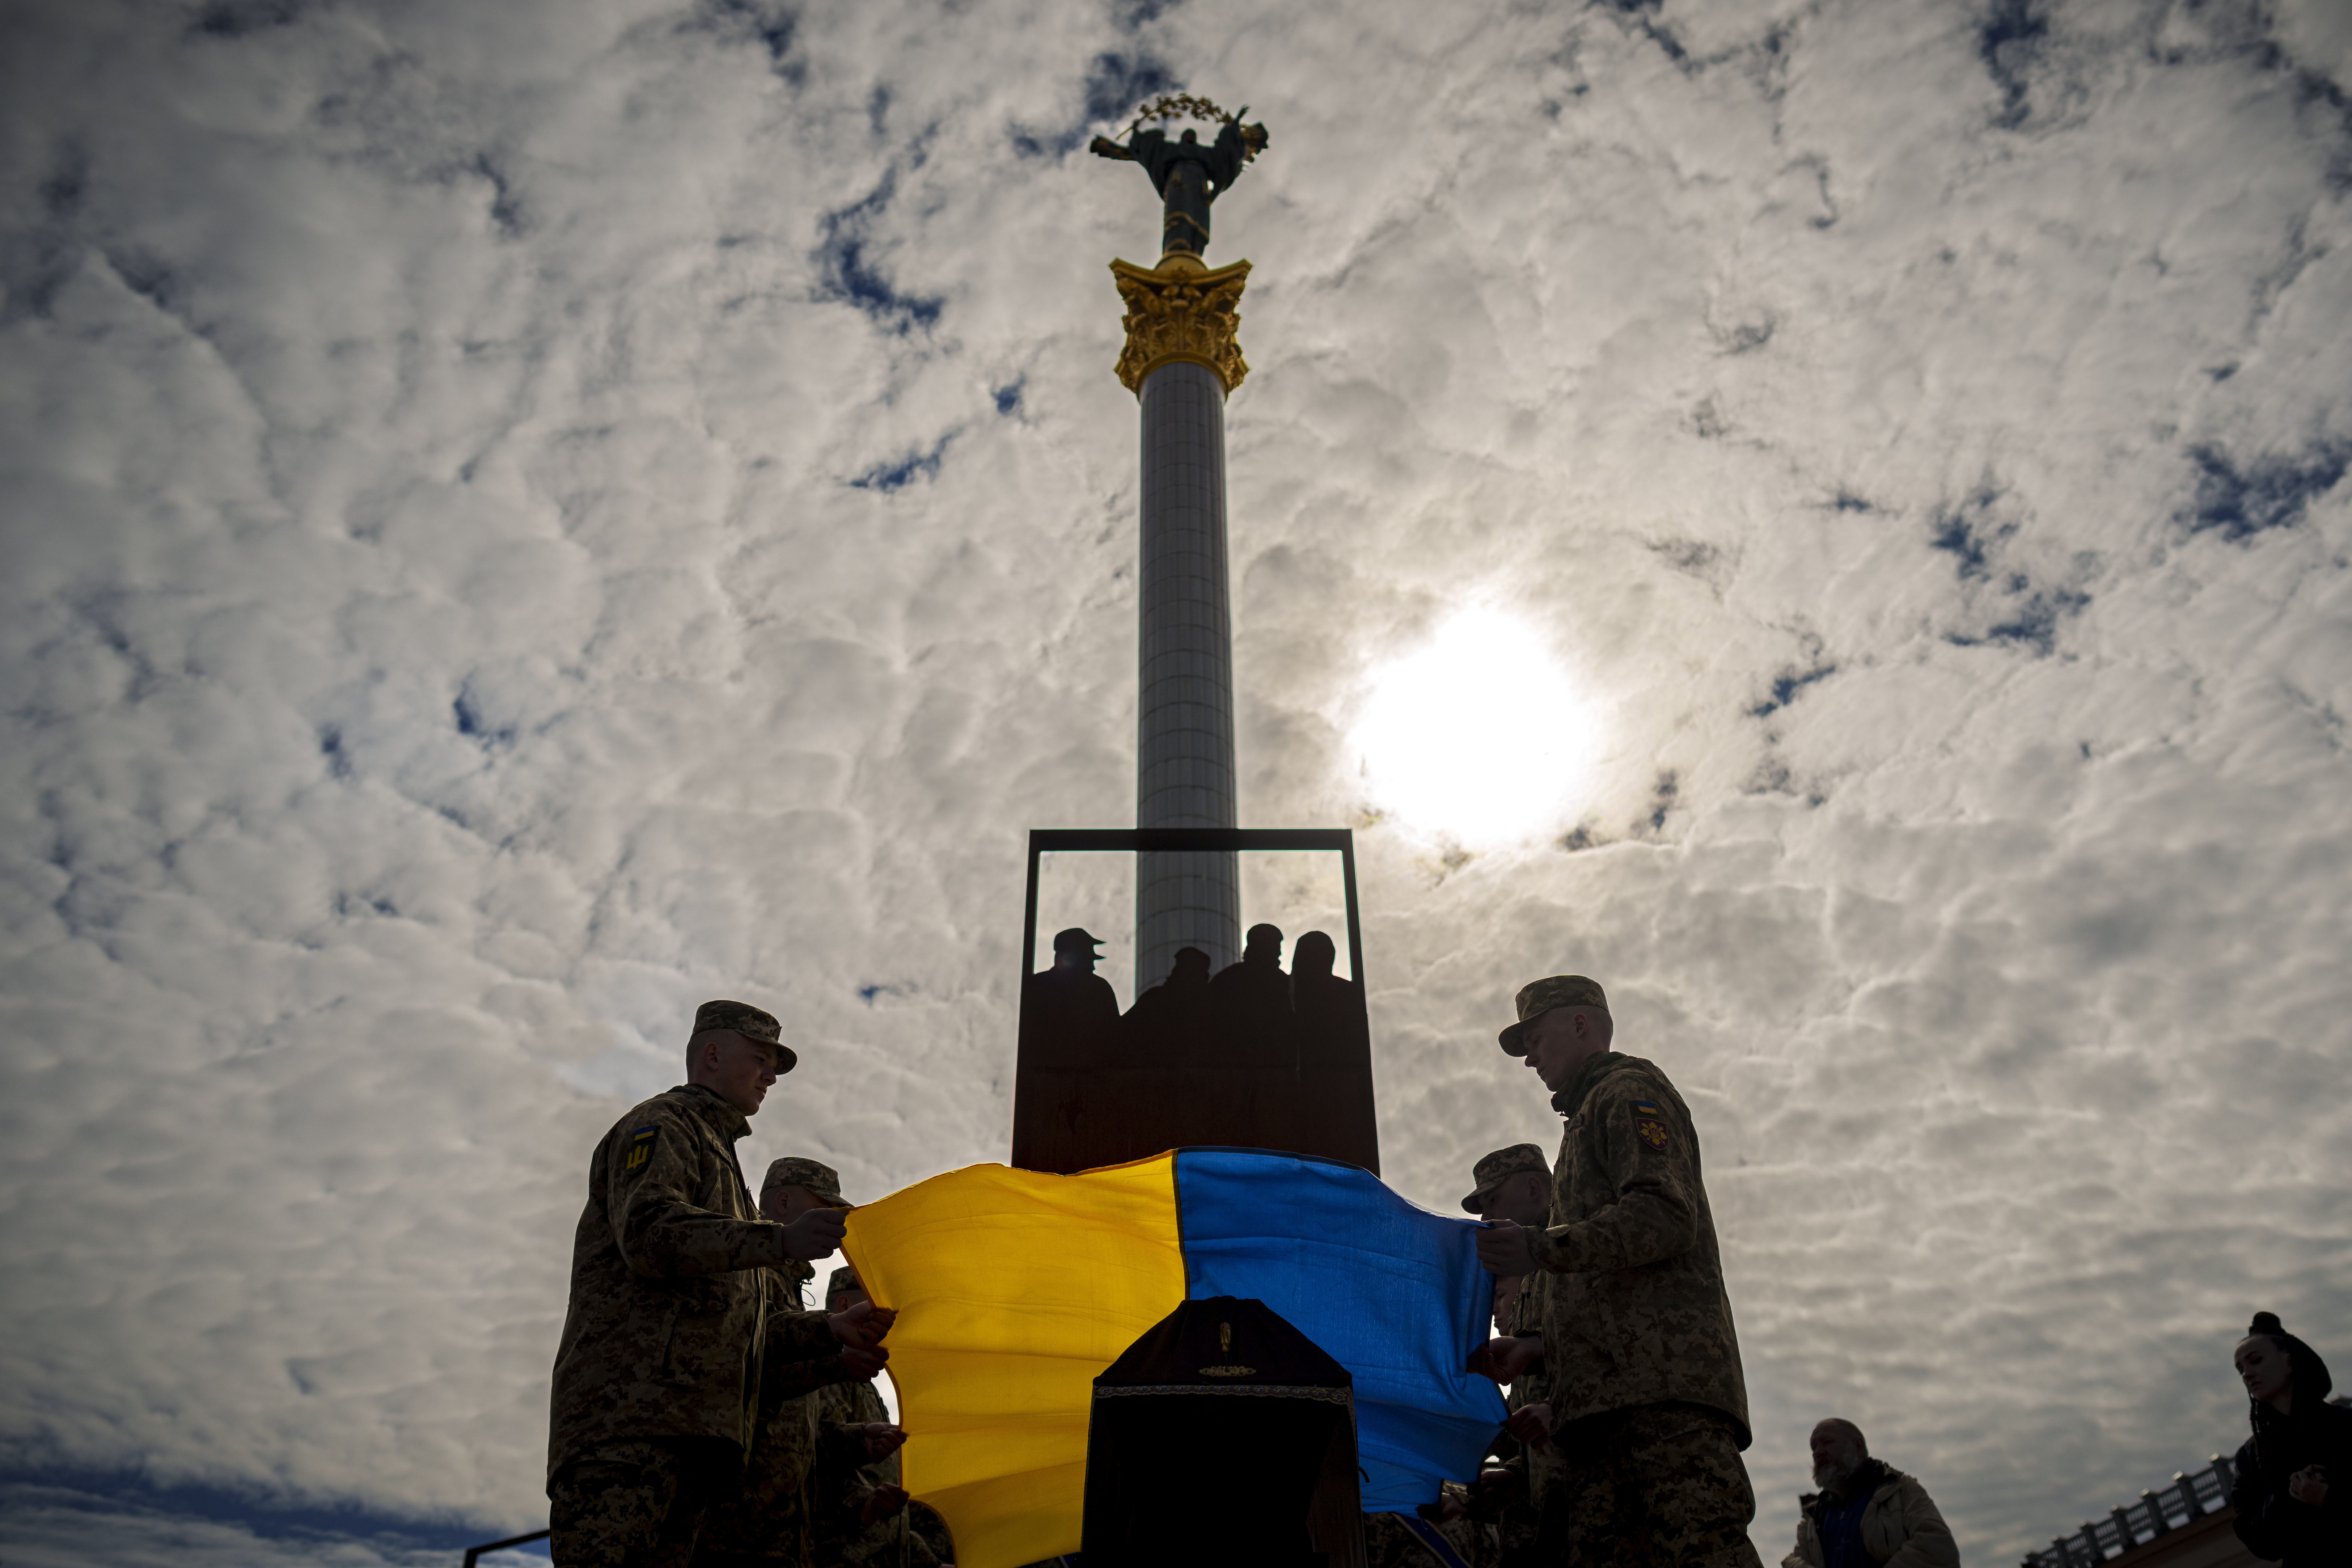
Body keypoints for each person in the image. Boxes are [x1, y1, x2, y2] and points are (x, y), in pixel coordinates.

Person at [547, 1002, 895, 1568]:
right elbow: (651, 1234)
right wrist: (779, 1242)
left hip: (697, 1437)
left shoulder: (722, 1161)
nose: (771, 1076)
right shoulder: (663, 1124)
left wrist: (831, 1329)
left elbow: (749, 1331)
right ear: (712, 1054)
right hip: (633, 1421)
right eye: (760, 1058)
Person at [1469, 975, 1760, 1568]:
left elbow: (1662, 1215)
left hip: (1662, 1395)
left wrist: (1538, 1249)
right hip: (1598, 1410)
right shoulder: (1579, 1126)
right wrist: (1535, 1348)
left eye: (1535, 1036)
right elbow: (1599, 1284)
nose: (1529, 1055)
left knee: (1701, 1550)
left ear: (1580, 1025)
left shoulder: (1627, 1092)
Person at [693, 1159, 889, 1568]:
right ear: (783, 1201)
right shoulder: (745, 1270)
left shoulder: (784, 1284)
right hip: (734, 1523)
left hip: (782, 1530)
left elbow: (802, 1427)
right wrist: (832, 1342)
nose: (837, 1228)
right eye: (826, 1210)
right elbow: (740, 1366)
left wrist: (855, 1441)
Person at [811, 1266, 957, 1566]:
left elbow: (886, 1496)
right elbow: (820, 1466)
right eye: (878, 1311)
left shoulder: (863, 1382)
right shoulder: (826, 1376)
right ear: (845, 1307)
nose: (888, 1324)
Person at [1460, 1145, 1555, 1568]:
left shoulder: (1574, 1266)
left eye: (1492, 1201)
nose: (1485, 1220)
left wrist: (1562, 1411)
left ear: (1534, 1187)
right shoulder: (1546, 1274)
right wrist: (1515, 1474)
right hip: (1547, 1523)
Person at [2230, 1311, 2352, 1564]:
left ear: (2289, 1362)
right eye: (2241, 1369)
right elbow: (2259, 1541)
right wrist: (2289, 1498)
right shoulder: (2251, 1456)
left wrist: (2327, 1498)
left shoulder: (2346, 1424)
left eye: (2256, 1361)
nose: (2246, 1374)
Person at [1780, 1419, 1956, 1568]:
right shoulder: (1812, 1520)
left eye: (1827, 1442)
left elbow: (1938, 1548)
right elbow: (1798, 1561)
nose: (1818, 1453)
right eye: (1814, 1448)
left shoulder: (1901, 1490)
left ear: (1858, 1447)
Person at [1021, 927, 1121, 1071]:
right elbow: (1115, 1040)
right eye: (1089, 958)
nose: (1093, 967)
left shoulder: (1037, 984)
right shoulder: (1098, 988)